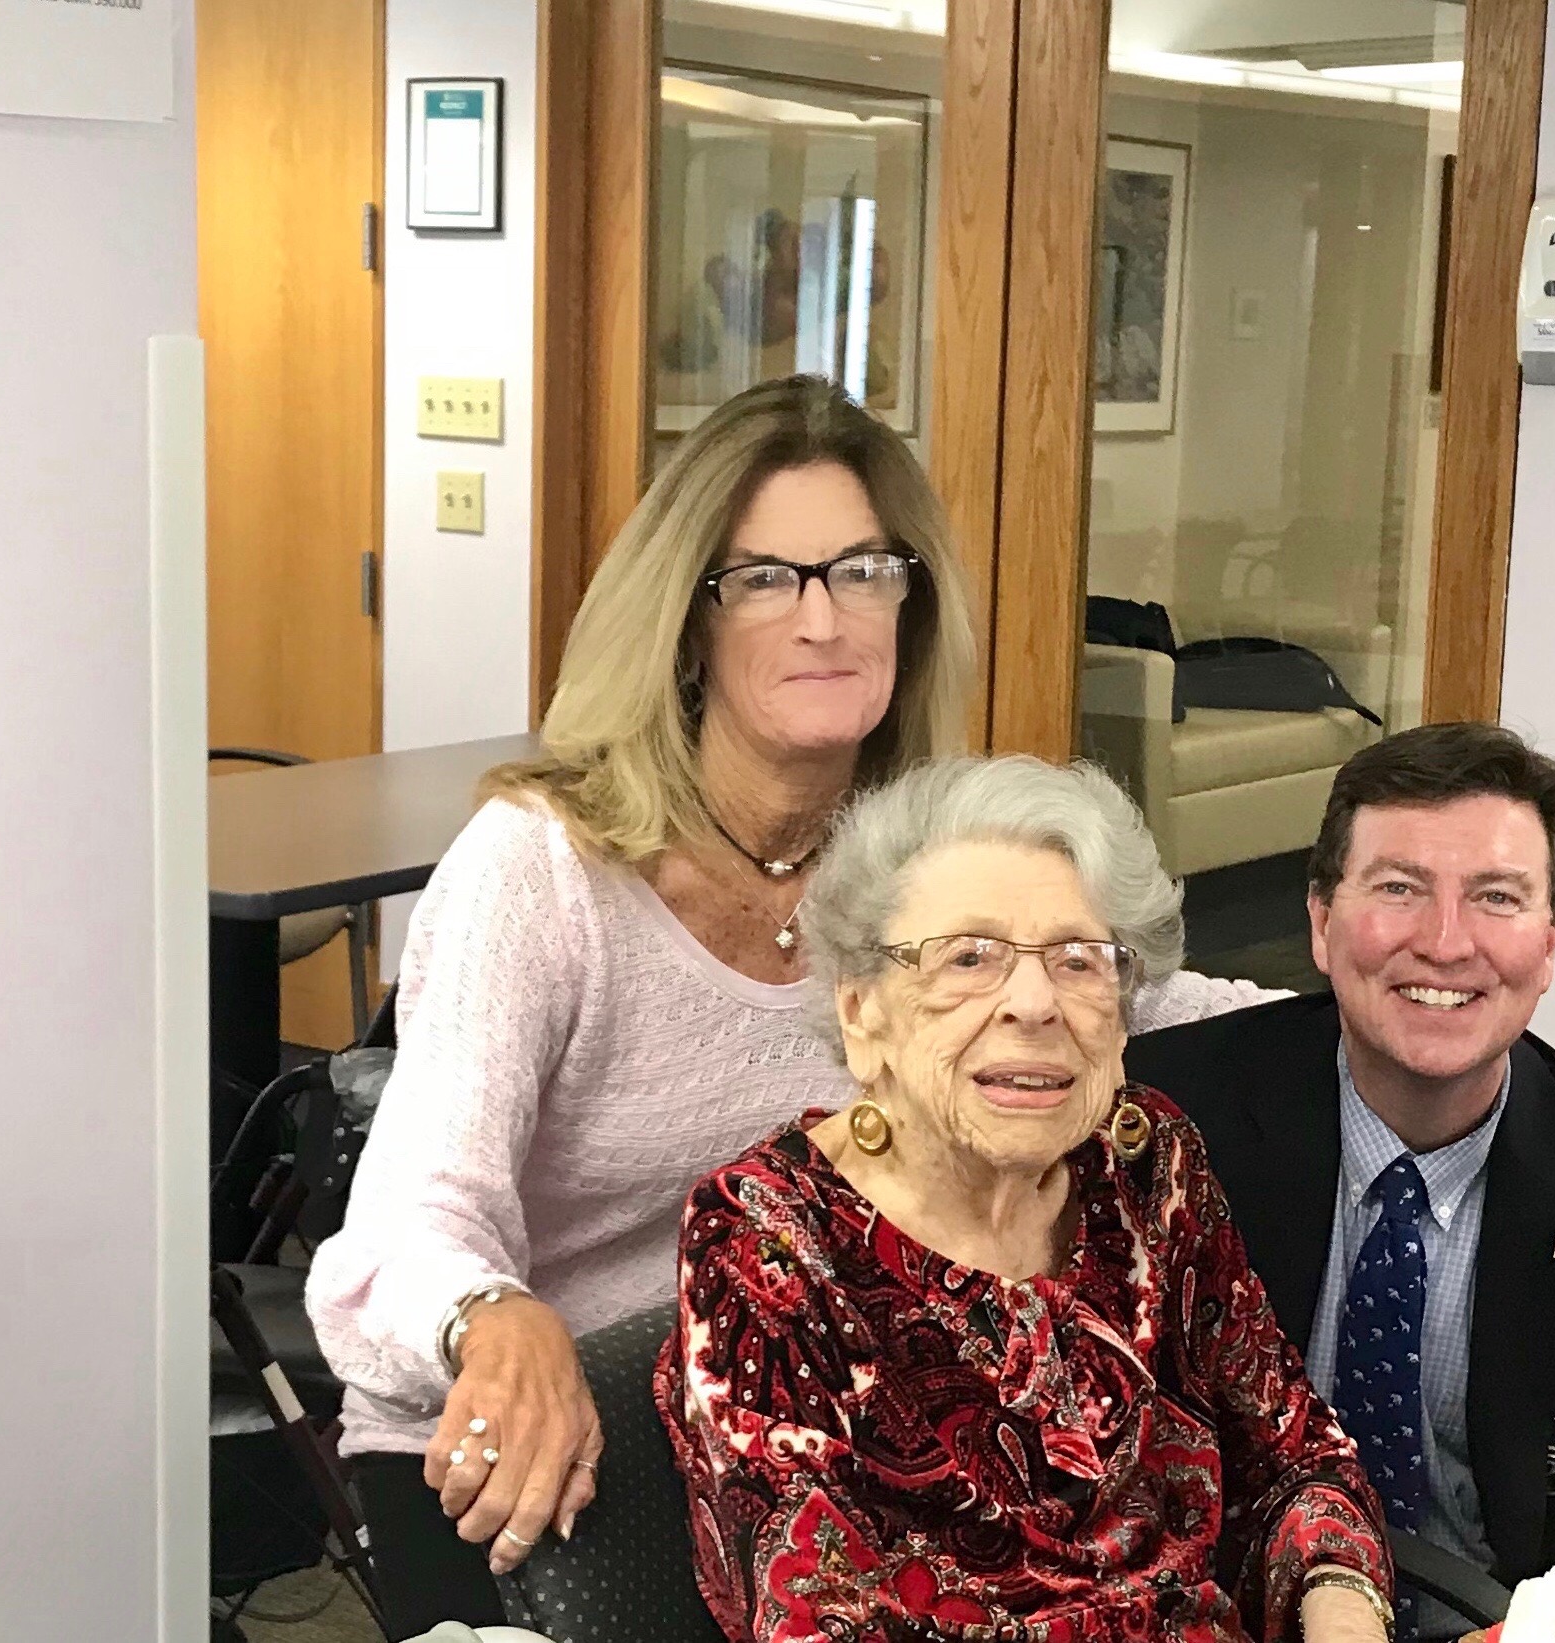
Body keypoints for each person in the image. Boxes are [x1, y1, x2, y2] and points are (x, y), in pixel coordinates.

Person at [305, 377, 1275, 1636]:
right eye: (764, 577)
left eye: (863, 570)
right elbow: (402, 1227)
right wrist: (492, 1314)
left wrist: (1393, 1010)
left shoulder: (916, 866)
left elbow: (1135, 993)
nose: (824, 618)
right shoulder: (539, 868)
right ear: (687, 619)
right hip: (548, 1430)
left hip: (812, 1413)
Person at [660, 755, 1394, 1643]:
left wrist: (1346, 1613)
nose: (1034, 1003)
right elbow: (815, 1617)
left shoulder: (1147, 1168)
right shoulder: (768, 1241)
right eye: (969, 957)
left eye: (1079, 960)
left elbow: (1295, 1454)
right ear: (862, 1013)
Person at [1124, 723, 1555, 1640]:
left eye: (1497, 899)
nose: (1445, 942)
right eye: (1399, 888)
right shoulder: (1166, 1118)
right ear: (1320, 920)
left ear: (1548, 944)